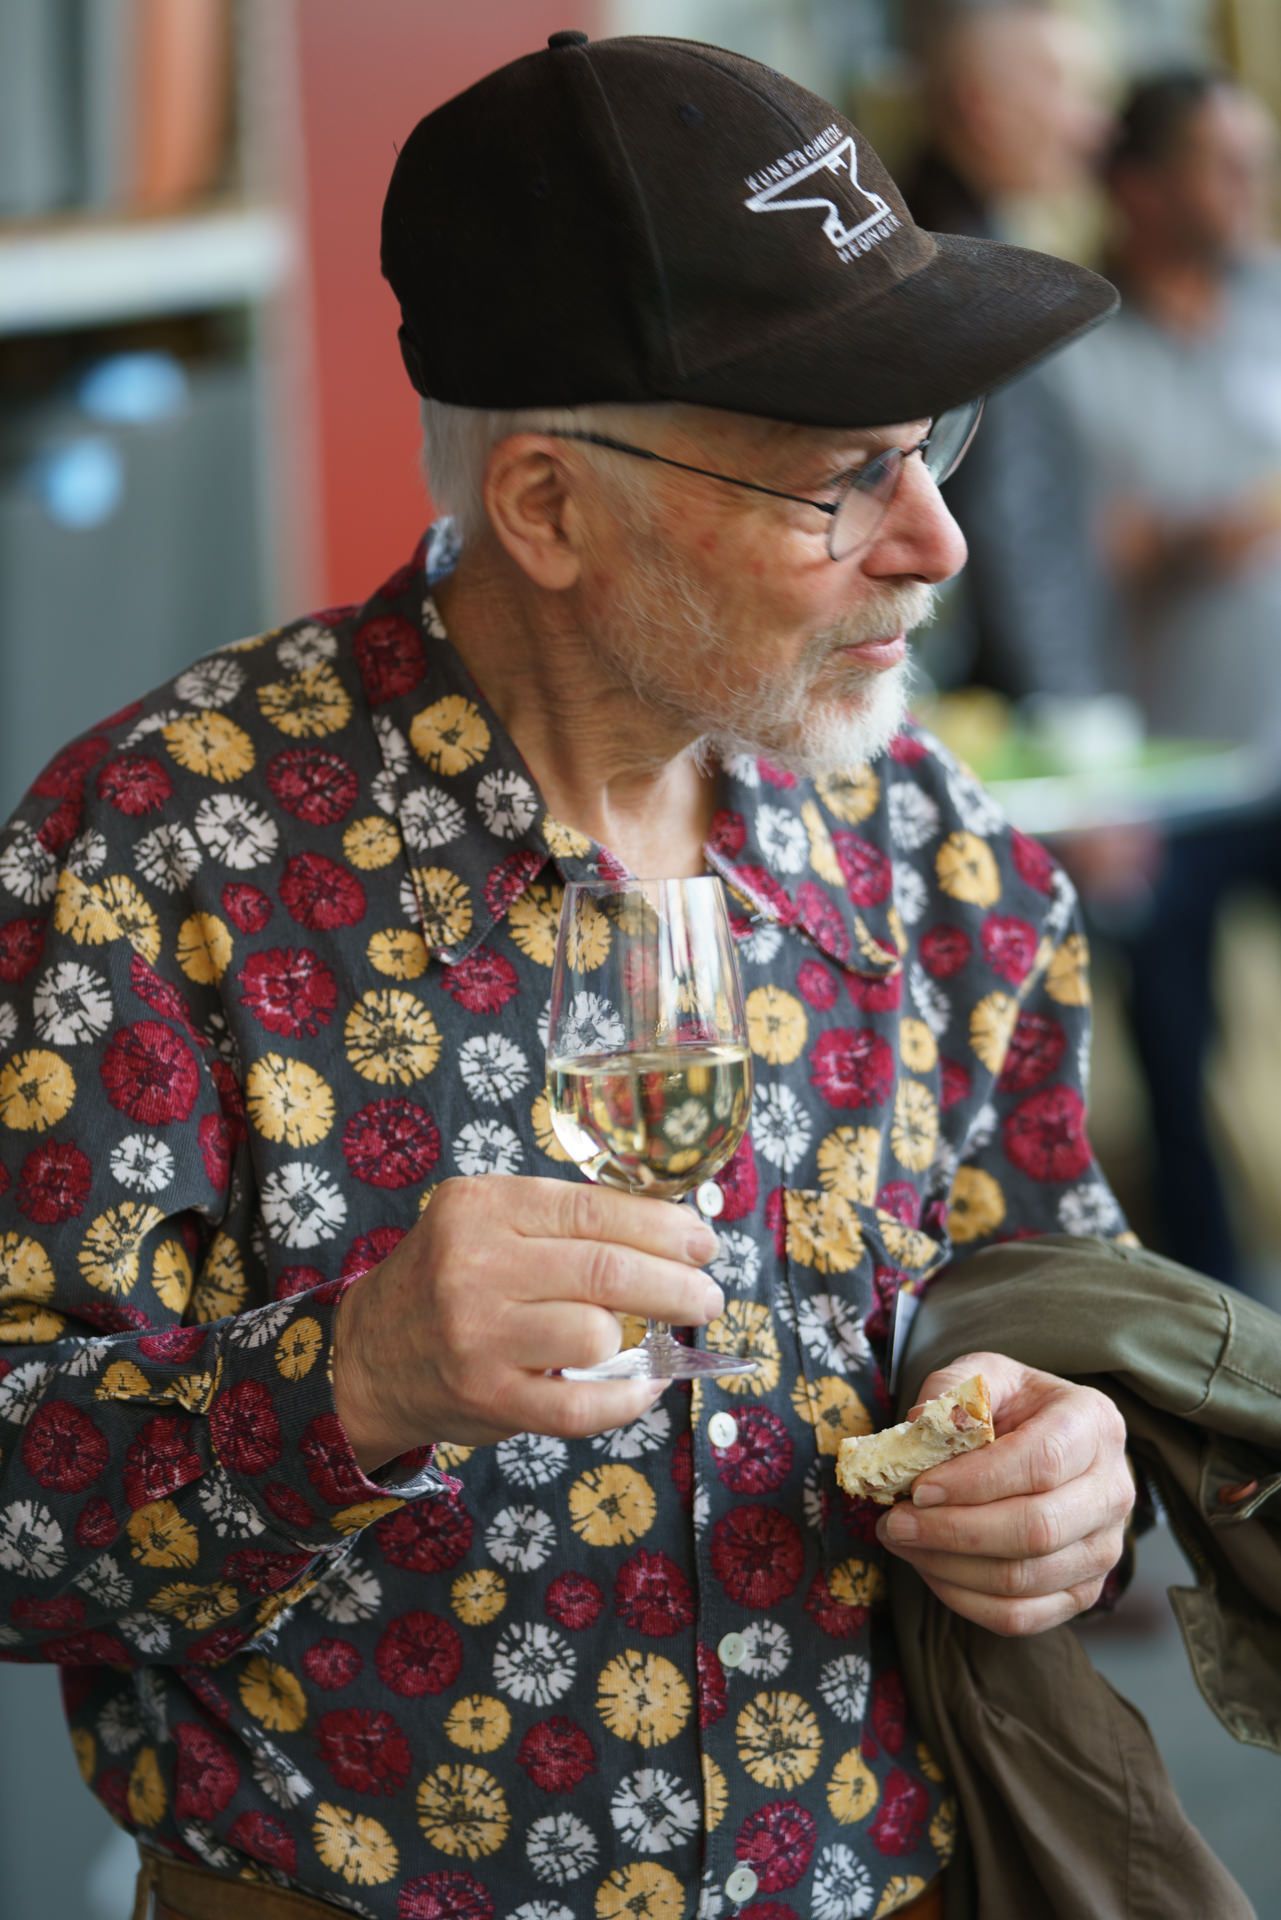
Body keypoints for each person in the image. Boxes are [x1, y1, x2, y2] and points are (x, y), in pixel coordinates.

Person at [0, 32, 1142, 1920]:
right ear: (547, 508)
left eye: (932, 447)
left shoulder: (936, 850)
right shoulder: (161, 855)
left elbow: (1059, 1304)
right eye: (840, 483)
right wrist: (352, 1377)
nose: (934, 545)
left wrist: (1074, 1480)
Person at [1050, 71, 1281, 1289]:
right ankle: (1228, 1351)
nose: (1251, 186)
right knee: (1181, 1065)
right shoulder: (1077, 354)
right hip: (1158, 779)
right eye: (1222, 161)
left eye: (1258, 158)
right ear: (1140, 186)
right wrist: (1213, 535)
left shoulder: (1275, 304)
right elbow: (1074, 555)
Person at [901, 0, 1119, 701]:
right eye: (1068, 91)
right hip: (983, 721)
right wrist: (1066, 725)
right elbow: (1011, 527)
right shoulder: (967, 272)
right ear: (983, 106)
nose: (1094, 127)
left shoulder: (931, 238)